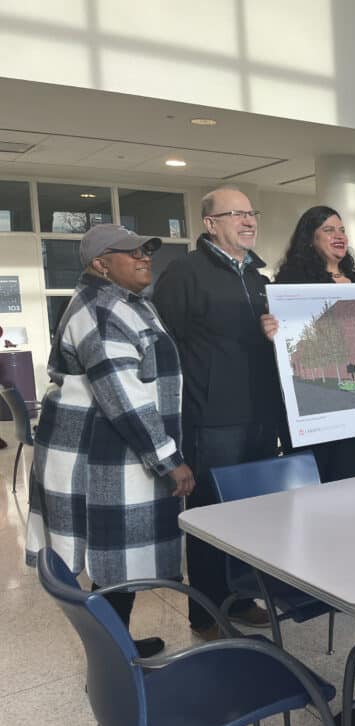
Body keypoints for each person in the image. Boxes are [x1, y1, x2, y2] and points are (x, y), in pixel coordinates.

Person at [26, 224, 195, 658]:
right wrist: (168, 459)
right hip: (106, 457)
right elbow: (124, 398)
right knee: (112, 558)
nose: (145, 257)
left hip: (116, 452)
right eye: (131, 252)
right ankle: (114, 661)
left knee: (118, 560)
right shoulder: (102, 311)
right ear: (101, 264)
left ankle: (119, 649)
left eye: (146, 249)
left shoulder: (126, 302)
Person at [152, 187, 278, 641]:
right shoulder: (184, 274)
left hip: (260, 415)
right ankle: (205, 614)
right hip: (212, 418)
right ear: (210, 223)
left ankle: (242, 597)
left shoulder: (259, 278)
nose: (248, 221)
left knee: (251, 515)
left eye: (251, 213)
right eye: (236, 214)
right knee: (211, 517)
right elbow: (164, 349)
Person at [260, 205, 355, 481]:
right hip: (317, 404)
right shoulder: (292, 284)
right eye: (328, 230)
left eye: (341, 230)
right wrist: (272, 335)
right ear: (309, 239)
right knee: (323, 488)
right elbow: (291, 344)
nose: (339, 236)